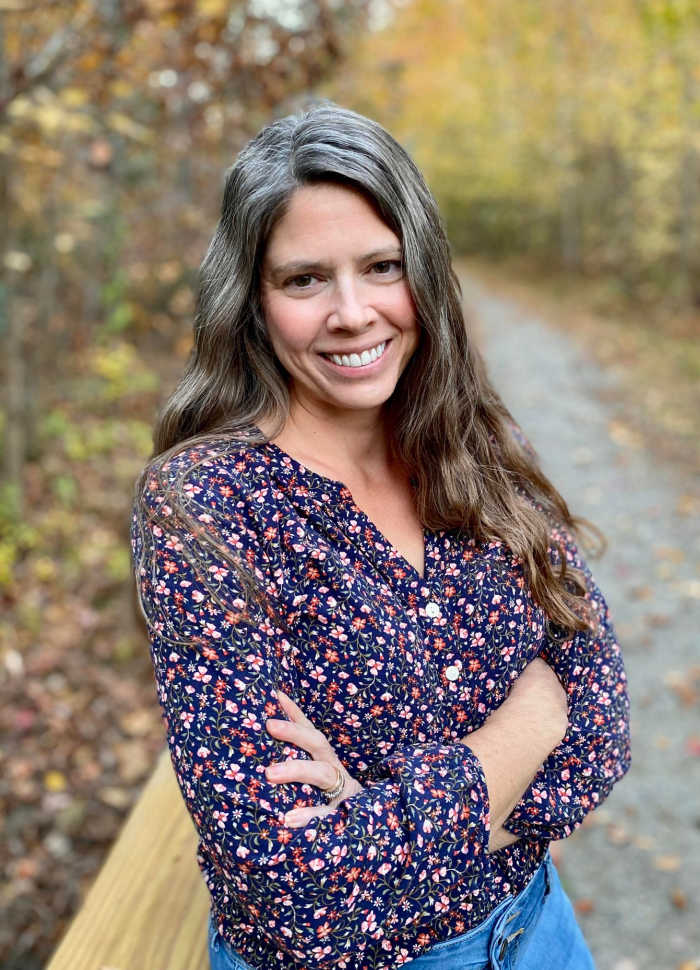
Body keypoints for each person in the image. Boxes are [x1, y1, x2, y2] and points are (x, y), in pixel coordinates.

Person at [130, 101, 631, 970]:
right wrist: (531, 718)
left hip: (539, 933)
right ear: (251, 301)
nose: (353, 312)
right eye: (305, 280)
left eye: (381, 266)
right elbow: (300, 895)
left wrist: (377, 817)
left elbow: (605, 733)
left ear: (424, 274)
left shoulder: (471, 446)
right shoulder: (205, 506)